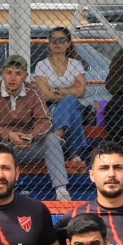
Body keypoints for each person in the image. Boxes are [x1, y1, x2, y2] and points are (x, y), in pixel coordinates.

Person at [0, 54, 70, 201]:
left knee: (51, 139)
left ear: (25, 76)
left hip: (27, 146)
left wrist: (31, 136)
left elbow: (46, 121)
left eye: (18, 74)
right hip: (1, 146)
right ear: (2, 73)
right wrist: (8, 134)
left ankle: (62, 191)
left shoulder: (33, 91)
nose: (12, 78)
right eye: (9, 72)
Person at [33, 27, 89, 161]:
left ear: (68, 43)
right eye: (53, 40)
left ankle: (57, 134)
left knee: (70, 101)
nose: (57, 43)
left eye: (62, 40)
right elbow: (44, 95)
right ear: (49, 43)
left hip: (70, 105)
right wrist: (70, 91)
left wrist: (56, 90)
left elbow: (81, 92)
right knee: (73, 110)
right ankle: (74, 155)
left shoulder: (76, 64)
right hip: (49, 108)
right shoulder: (42, 65)